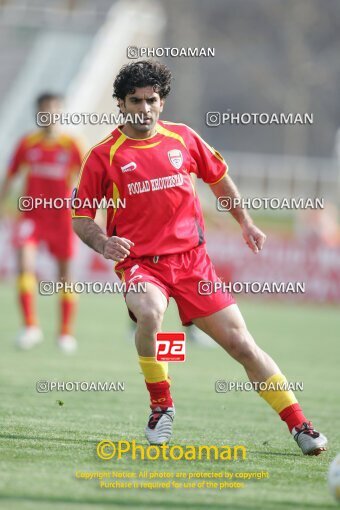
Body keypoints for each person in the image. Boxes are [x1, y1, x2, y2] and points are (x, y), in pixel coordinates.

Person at [72, 60, 327, 454]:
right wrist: (103, 242)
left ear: (162, 102)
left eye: (151, 100)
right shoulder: (104, 155)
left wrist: (245, 221)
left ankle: (300, 425)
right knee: (150, 312)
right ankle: (161, 406)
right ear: (120, 105)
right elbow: (81, 217)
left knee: (243, 345)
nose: (144, 108)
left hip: (193, 263)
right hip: (142, 264)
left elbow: (218, 177)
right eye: (134, 101)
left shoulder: (184, 139)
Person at [0, 93, 82, 352]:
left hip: (62, 219)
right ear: (38, 113)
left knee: (65, 276)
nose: (49, 115)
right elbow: (10, 176)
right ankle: (30, 327)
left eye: (54, 109)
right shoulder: (27, 143)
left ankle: (65, 333)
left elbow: (88, 179)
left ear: (61, 112)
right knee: (24, 266)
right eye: (44, 110)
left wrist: (95, 210)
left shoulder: (72, 144)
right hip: (32, 217)